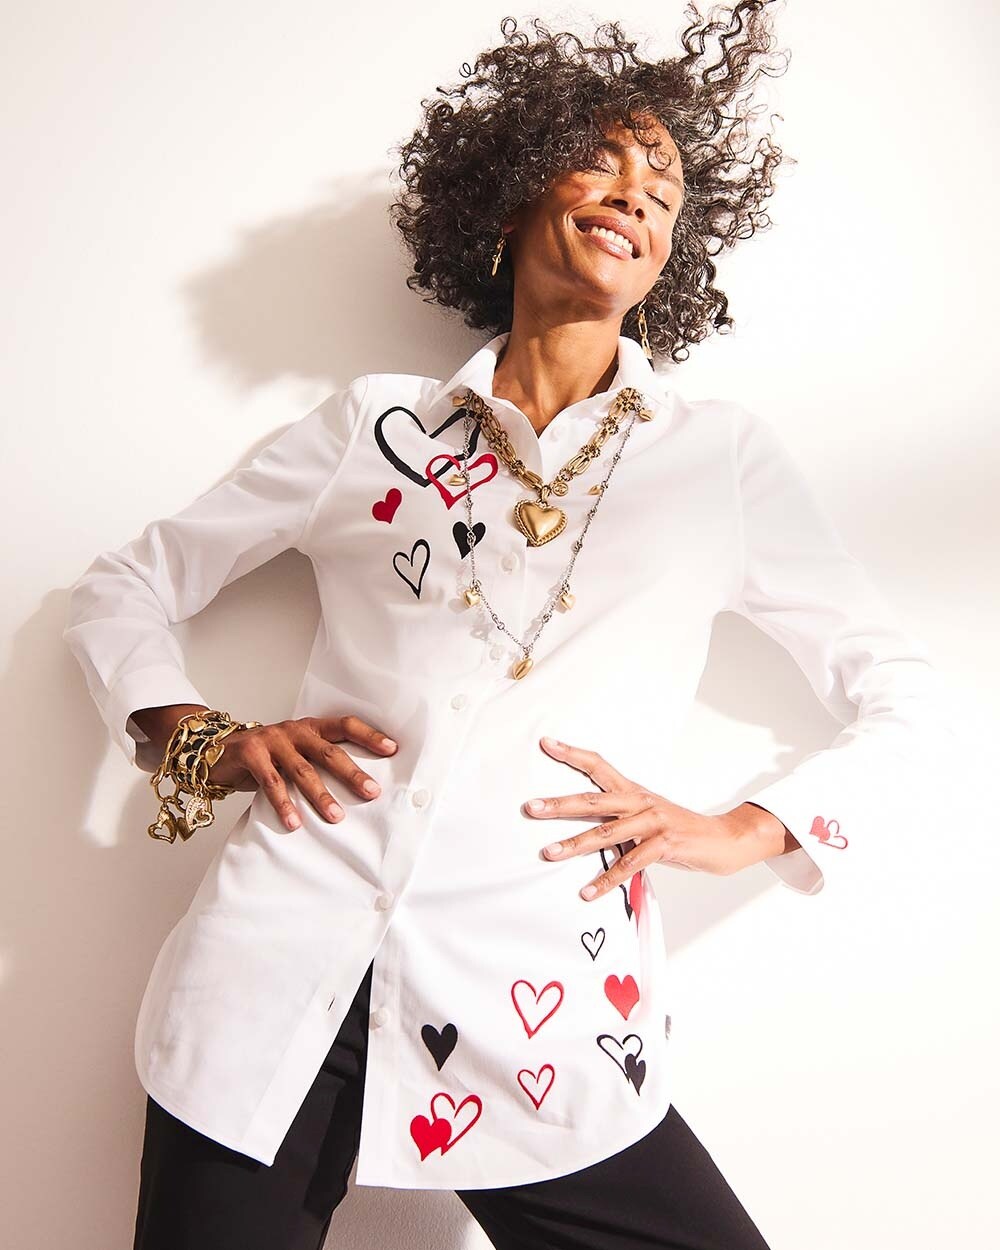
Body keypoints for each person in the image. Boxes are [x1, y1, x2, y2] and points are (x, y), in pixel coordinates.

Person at [63, 8, 962, 1249]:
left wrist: (740, 829)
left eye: (663, 192)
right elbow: (123, 584)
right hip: (270, 979)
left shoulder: (718, 463)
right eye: (602, 162)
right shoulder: (371, 429)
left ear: (668, 265)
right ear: (510, 200)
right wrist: (200, 738)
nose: (635, 195)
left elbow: (908, 693)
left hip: (544, 1011)